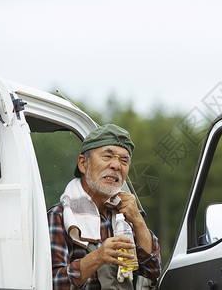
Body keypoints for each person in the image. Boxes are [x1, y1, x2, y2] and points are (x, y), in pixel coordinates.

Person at [47, 124, 161, 289]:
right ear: (83, 164)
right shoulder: (60, 217)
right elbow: (52, 282)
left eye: (124, 160)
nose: (116, 166)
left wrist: (137, 219)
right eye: (107, 156)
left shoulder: (127, 216)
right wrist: (97, 258)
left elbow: (152, 272)